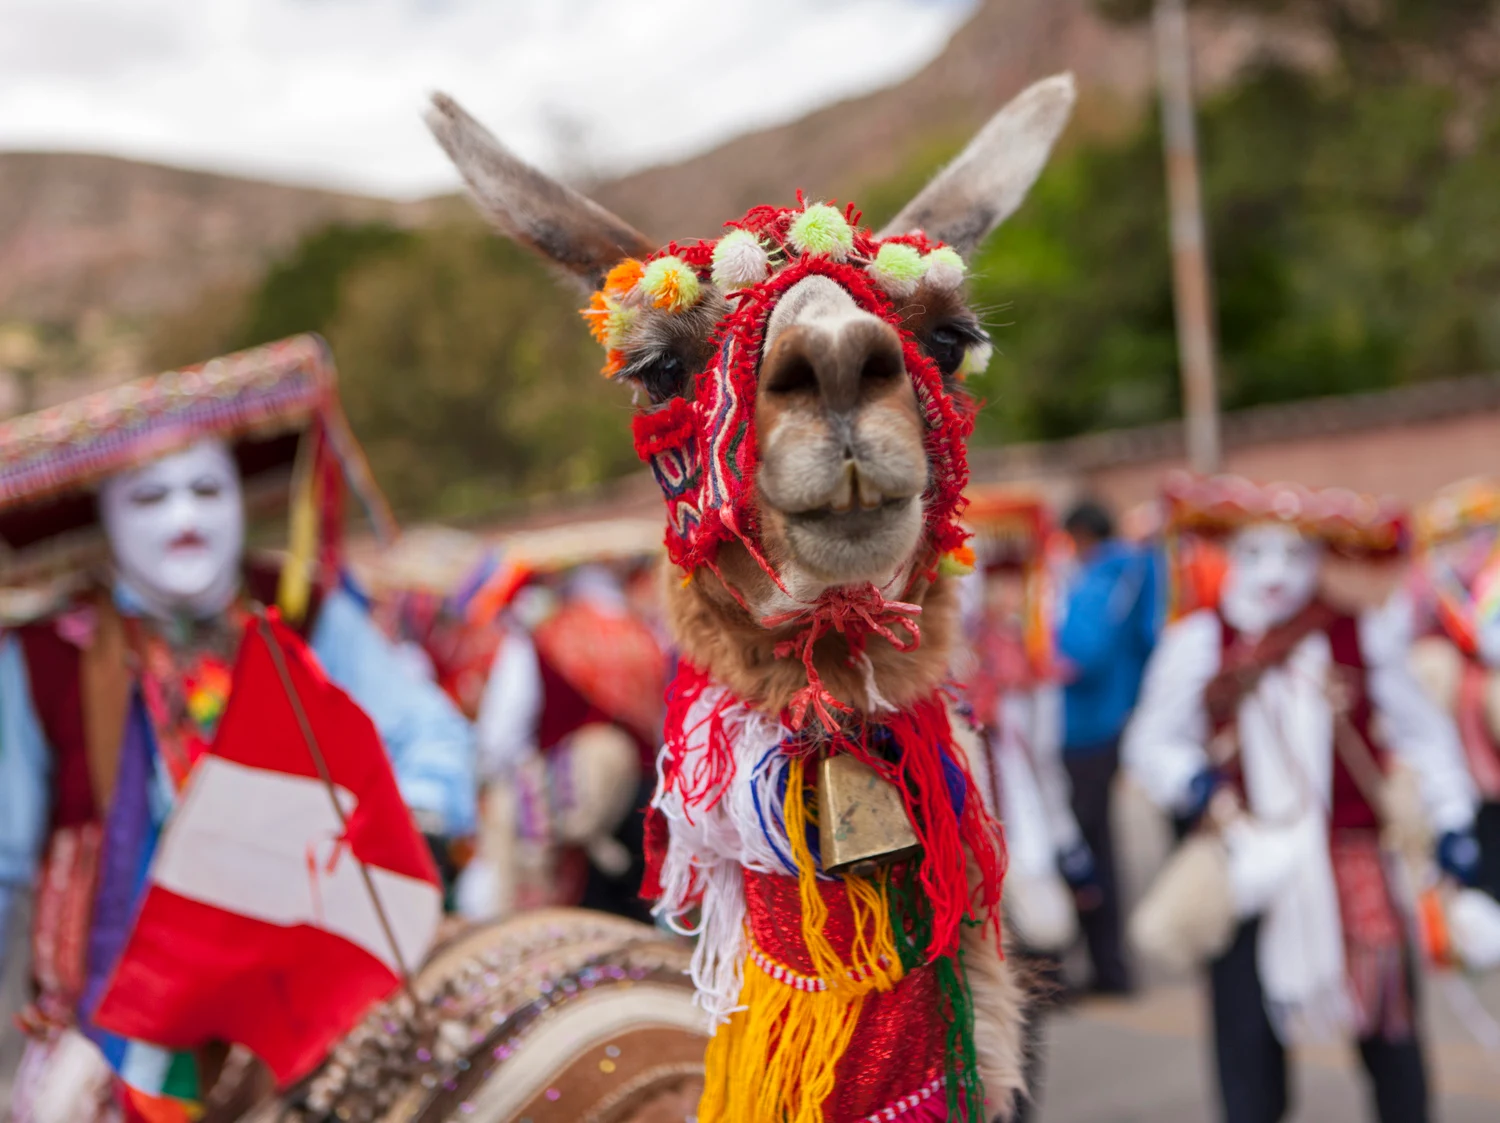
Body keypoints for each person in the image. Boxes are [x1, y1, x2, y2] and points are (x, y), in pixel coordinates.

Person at [0, 336, 477, 1123]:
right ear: (106, 519)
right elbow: (9, 853)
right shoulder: (46, 654)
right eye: (150, 500)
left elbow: (428, 734)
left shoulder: (299, 607)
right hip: (115, 995)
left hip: (303, 966)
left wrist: (412, 816)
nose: (184, 518)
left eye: (206, 491)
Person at [1124, 472, 1481, 1123]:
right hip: (1248, 862)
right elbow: (1150, 742)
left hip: (1353, 857)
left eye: (1293, 554)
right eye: (1257, 553)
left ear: (1320, 557)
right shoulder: (1198, 642)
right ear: (1231, 555)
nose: (1274, 573)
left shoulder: (1362, 635)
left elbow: (1426, 737)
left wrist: (1454, 820)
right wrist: (1190, 780)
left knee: (1389, 1032)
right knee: (1248, 1046)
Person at [960, 490, 1097, 1121]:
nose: (1013, 596)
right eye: (1001, 579)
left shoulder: (1015, 659)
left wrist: (1066, 841)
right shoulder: (939, 668)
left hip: (1025, 841)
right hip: (964, 861)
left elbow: (1037, 762)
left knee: (1027, 1007)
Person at [1054, 497, 1159, 995]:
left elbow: (1083, 650)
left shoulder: (1106, 577)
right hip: (1105, 719)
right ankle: (1105, 963)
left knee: (1082, 845)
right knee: (1093, 843)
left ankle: (1102, 965)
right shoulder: (1129, 572)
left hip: (1088, 727)